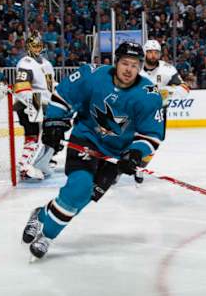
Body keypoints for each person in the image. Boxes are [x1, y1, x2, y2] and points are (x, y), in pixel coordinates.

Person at [22, 42, 165, 259]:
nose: (129, 69)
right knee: (79, 187)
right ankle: (47, 237)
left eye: (135, 65)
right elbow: (63, 96)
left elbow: (151, 134)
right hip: (86, 140)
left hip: (115, 155)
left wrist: (135, 153)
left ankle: (41, 214)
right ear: (116, 62)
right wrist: (54, 121)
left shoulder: (149, 94)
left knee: (82, 198)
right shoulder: (93, 75)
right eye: (125, 63)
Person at [138, 39, 189, 182]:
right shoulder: (135, 68)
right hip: (136, 111)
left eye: (156, 52)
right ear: (144, 53)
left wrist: (168, 91)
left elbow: (185, 89)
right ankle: (117, 169)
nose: (153, 55)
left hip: (158, 114)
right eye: (150, 52)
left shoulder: (168, 69)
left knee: (153, 144)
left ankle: (140, 168)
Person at [12, 31, 56, 181]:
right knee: (33, 136)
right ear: (28, 47)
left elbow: (50, 87)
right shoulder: (25, 63)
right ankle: (24, 166)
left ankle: (39, 161)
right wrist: (33, 103)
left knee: (46, 135)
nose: (37, 49)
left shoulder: (47, 64)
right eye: (34, 46)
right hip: (31, 101)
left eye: (39, 46)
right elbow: (22, 88)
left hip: (43, 102)